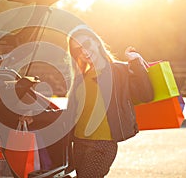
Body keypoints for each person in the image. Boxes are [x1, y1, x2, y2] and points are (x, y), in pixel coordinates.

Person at [66, 25, 154, 178]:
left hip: (103, 144)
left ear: (96, 42)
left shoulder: (119, 71)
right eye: (78, 50)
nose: (84, 52)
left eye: (86, 45)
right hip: (79, 142)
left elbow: (146, 95)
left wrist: (135, 63)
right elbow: (71, 114)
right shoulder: (81, 79)